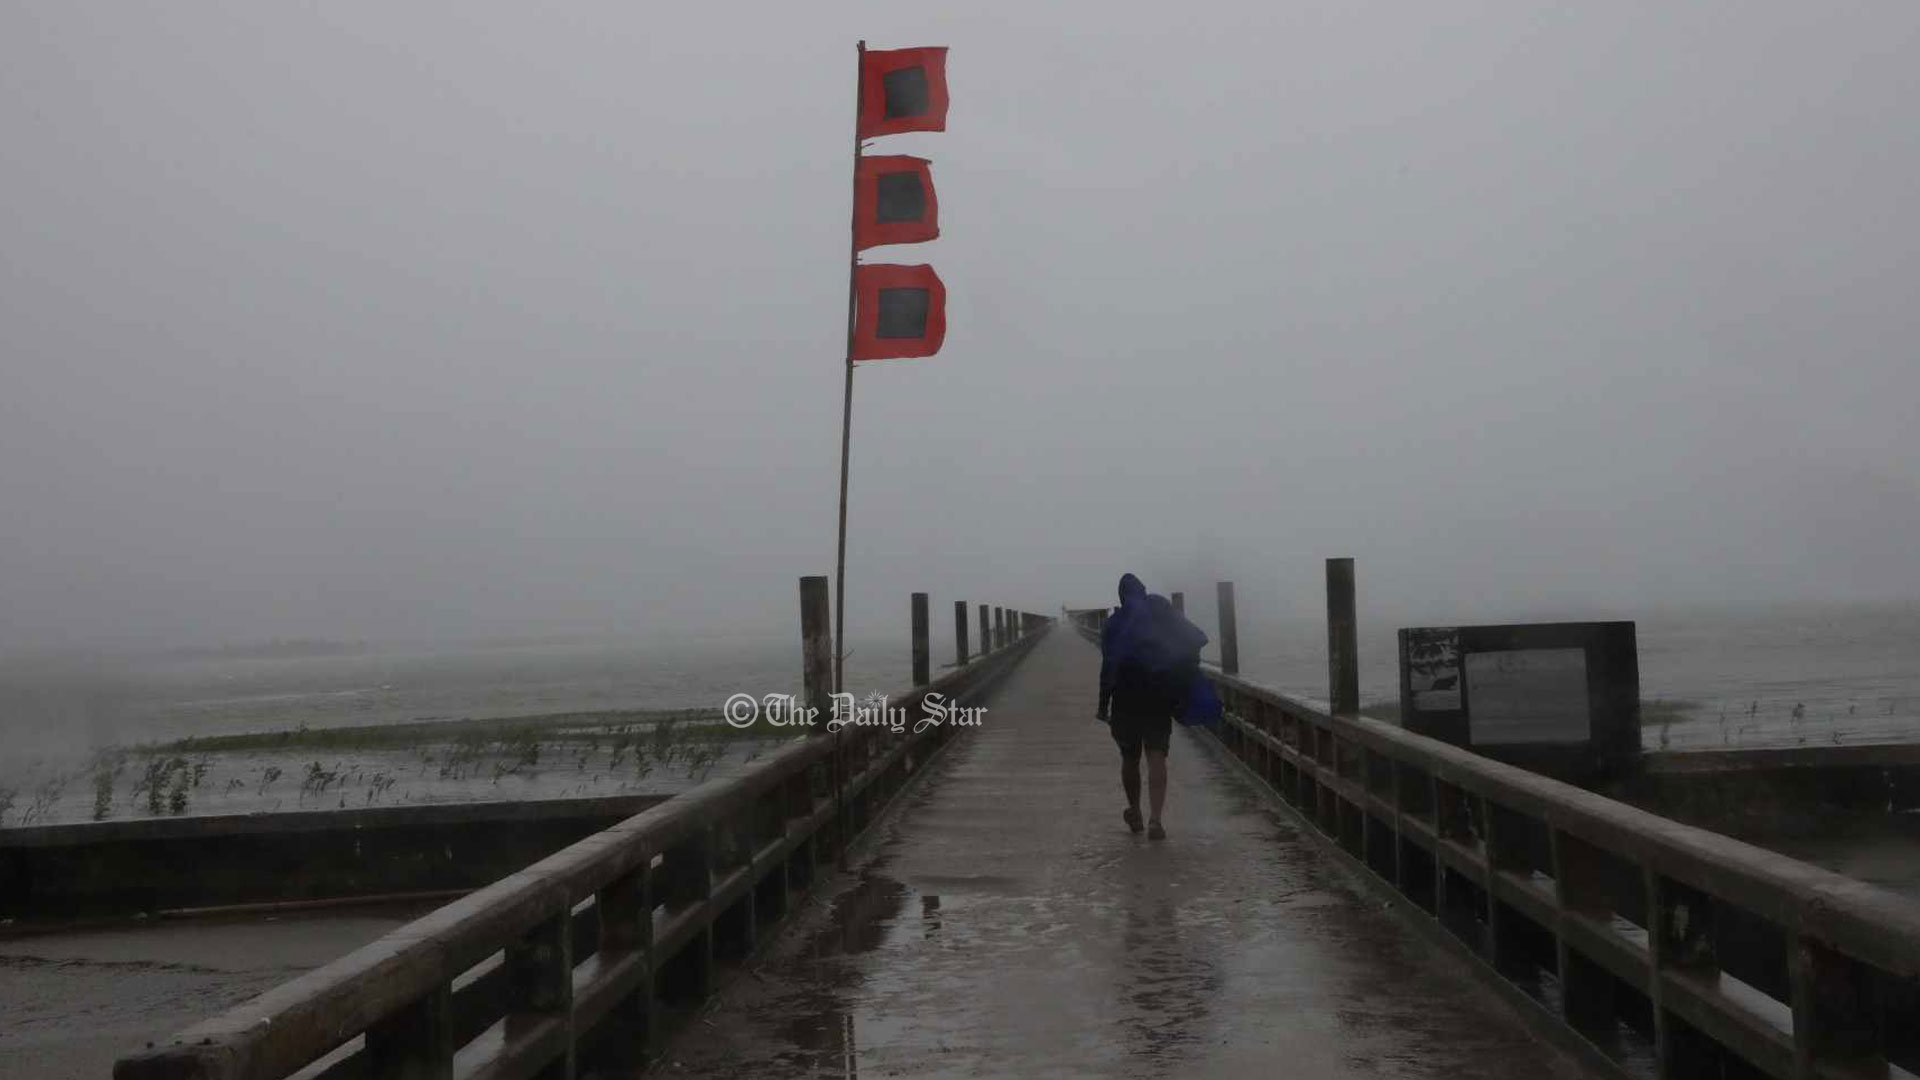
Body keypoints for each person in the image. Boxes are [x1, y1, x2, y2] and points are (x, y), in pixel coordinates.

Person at [1097, 573, 1207, 840]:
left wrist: (1103, 704)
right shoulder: (1160, 612)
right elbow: (1194, 637)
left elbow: (1109, 666)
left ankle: (1135, 810)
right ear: (1143, 591)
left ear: (1121, 596)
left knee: (1130, 757)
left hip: (1125, 698)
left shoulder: (1114, 623)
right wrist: (1185, 676)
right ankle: (1156, 820)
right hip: (1158, 695)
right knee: (1156, 755)